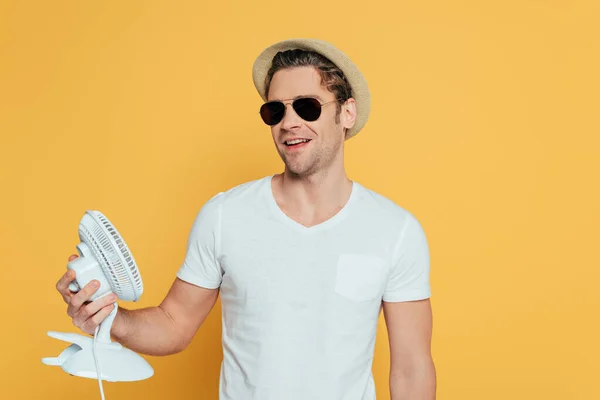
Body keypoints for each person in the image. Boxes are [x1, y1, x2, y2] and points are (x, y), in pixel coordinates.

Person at [55, 38, 436, 399]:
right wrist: (111, 318)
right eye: (275, 110)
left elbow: (411, 368)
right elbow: (174, 325)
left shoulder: (395, 230)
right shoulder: (224, 216)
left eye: (307, 106)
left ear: (347, 112)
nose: (289, 123)